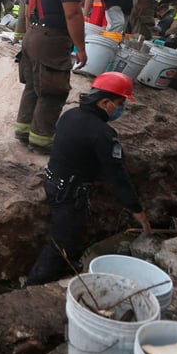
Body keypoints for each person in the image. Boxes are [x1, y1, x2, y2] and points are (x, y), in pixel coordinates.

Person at [26, 72, 151, 285]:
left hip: (53, 181)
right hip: (69, 194)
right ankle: (33, 286)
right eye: (120, 103)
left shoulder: (70, 115)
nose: (121, 109)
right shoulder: (102, 134)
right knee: (61, 243)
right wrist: (137, 210)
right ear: (104, 102)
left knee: (73, 233)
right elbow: (116, 175)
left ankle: (67, 267)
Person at [14, 0, 87, 154]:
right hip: (51, 39)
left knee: (33, 88)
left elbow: (26, 10)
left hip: (32, 36)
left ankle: (23, 131)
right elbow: (73, 14)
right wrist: (81, 49)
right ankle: (41, 140)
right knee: (52, 91)